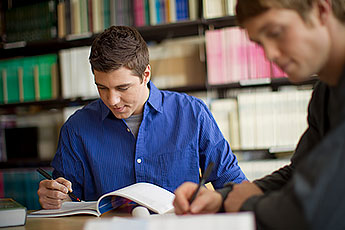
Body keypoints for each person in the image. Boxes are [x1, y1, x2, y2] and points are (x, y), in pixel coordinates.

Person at [173, 0, 345, 229]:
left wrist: (247, 204)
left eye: (275, 32)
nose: (270, 54)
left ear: (321, 10)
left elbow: (312, 212)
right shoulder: (325, 92)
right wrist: (221, 199)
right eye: (260, 44)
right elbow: (301, 173)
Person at [37, 26, 247, 209]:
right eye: (102, 88)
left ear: (146, 74)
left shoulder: (192, 113)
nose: (112, 100)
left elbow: (233, 184)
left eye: (122, 88)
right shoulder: (77, 128)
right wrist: (55, 197)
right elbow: (67, 198)